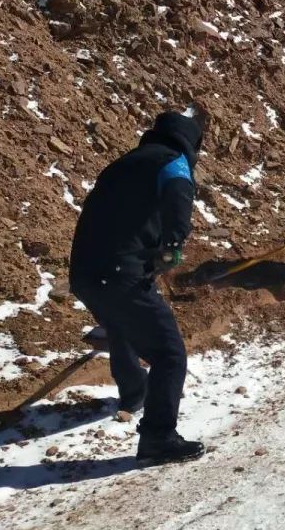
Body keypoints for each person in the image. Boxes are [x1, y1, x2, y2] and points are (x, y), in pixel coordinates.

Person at [69, 111, 204, 466]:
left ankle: (134, 394)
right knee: (169, 354)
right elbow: (179, 195)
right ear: (190, 143)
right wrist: (173, 244)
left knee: (121, 326)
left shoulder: (121, 165)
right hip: (119, 273)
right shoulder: (174, 163)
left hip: (85, 273)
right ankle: (159, 438)